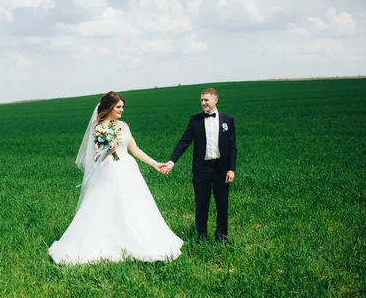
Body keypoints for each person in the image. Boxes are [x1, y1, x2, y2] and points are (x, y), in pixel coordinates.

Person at [49, 91, 183, 264]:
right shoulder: (100, 128)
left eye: (122, 107)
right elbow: (96, 156)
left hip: (128, 170)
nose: (121, 110)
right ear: (110, 107)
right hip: (109, 171)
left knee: (133, 206)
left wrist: (156, 164)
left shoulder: (124, 125)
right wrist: (107, 152)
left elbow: (136, 150)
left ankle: (136, 239)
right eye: (118, 107)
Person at [161, 88, 237, 244]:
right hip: (202, 169)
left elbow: (232, 146)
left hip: (221, 169)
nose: (203, 103)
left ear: (215, 100)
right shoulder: (195, 120)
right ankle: (201, 236)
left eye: (206, 100)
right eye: (201, 100)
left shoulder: (227, 120)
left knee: (222, 204)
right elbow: (184, 142)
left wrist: (231, 169)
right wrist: (171, 161)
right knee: (201, 204)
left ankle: (221, 235)